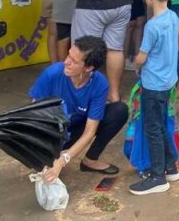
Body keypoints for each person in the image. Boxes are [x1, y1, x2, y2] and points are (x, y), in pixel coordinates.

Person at [31, 36, 129, 183]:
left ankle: (90, 160)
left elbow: (90, 131)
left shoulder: (100, 84)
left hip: (76, 128)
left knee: (119, 110)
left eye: (74, 61)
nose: (66, 62)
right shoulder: (52, 73)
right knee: (40, 163)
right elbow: (32, 116)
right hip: (51, 131)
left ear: (89, 68)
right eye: (69, 55)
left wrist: (64, 158)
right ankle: (49, 155)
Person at [129, 0, 179, 195]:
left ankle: (157, 176)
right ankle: (170, 166)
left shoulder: (152, 26)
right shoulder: (172, 16)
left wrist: (136, 65)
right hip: (169, 82)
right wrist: (167, 58)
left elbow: (142, 57)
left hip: (152, 85)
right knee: (162, 124)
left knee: (152, 128)